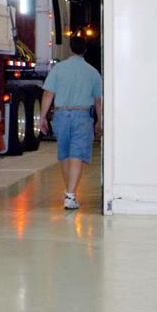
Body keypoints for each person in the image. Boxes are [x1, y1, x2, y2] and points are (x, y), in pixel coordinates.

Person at [40, 36, 102, 211]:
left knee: (65, 154)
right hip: (82, 116)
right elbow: (98, 100)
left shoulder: (58, 69)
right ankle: (70, 194)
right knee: (77, 154)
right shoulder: (92, 72)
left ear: (70, 49)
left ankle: (69, 193)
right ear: (85, 50)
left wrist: (42, 117)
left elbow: (48, 94)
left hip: (61, 115)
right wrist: (100, 121)